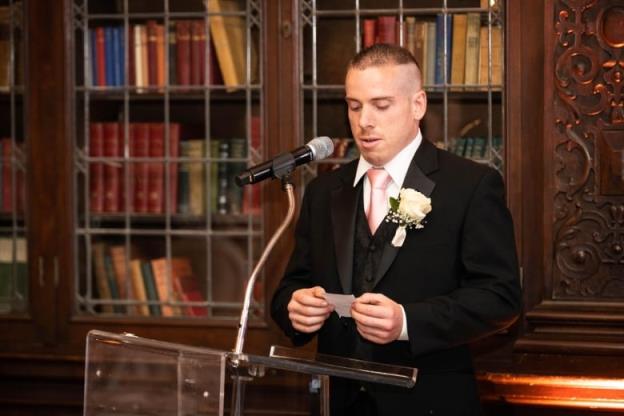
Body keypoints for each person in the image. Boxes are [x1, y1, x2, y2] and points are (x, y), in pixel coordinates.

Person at [270, 44, 522, 416]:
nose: (364, 121)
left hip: (429, 402)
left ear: (417, 105)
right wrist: (296, 309)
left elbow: (500, 298)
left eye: (381, 105)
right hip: (336, 401)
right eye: (354, 106)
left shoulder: (470, 186)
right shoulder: (325, 192)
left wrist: (407, 321)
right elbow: (291, 287)